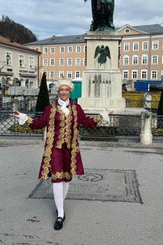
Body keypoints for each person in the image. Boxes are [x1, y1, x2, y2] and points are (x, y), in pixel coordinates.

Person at [12, 80, 112, 230]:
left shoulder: (76, 108)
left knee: (66, 177)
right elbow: (39, 124)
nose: (64, 92)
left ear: (70, 92)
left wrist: (101, 116)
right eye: (61, 90)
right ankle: (60, 213)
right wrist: (25, 118)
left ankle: (60, 207)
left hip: (71, 148)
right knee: (57, 178)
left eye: (66, 90)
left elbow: (87, 122)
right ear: (58, 91)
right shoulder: (50, 109)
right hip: (54, 148)